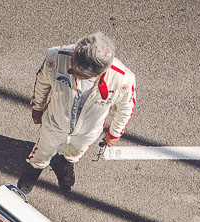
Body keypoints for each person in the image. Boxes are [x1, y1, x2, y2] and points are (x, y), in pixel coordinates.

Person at [18, 32, 136, 193]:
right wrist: (37, 107)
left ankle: (66, 163)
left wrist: (114, 134)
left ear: (97, 73)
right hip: (54, 122)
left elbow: (125, 108)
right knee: (43, 150)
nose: (70, 71)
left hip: (88, 131)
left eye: (77, 73)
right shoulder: (56, 57)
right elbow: (42, 82)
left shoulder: (123, 80)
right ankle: (35, 168)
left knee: (76, 151)